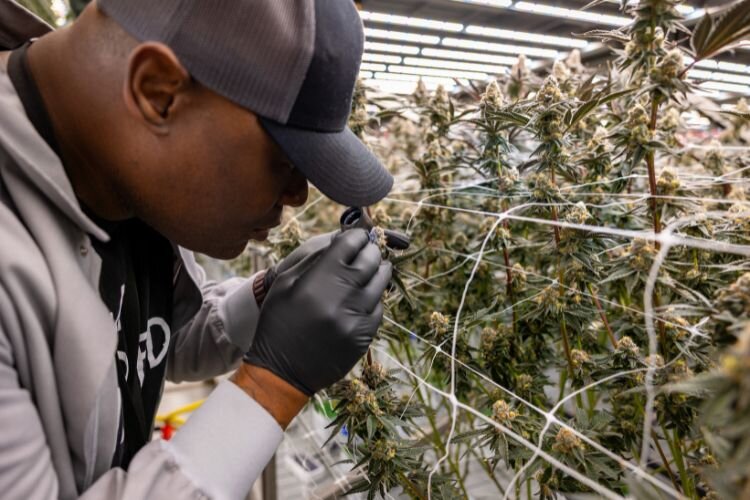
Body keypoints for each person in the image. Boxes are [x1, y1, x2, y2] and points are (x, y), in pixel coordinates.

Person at [0, 0, 395, 498]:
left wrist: (272, 297)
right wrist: (272, 384)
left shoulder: (120, 169)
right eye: (285, 158)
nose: (299, 194)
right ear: (158, 92)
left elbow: (157, 340)